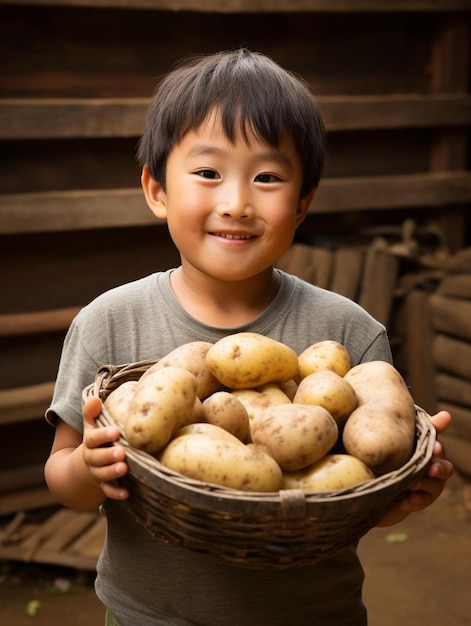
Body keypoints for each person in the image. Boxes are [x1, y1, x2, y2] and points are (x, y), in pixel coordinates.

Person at [44, 49, 453, 626]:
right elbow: (64, 478)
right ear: (157, 190)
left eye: (266, 177)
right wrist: (90, 467)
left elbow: (358, 496)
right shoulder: (110, 320)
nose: (236, 203)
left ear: (303, 202)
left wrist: (405, 492)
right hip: (151, 616)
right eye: (208, 173)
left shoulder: (349, 332)